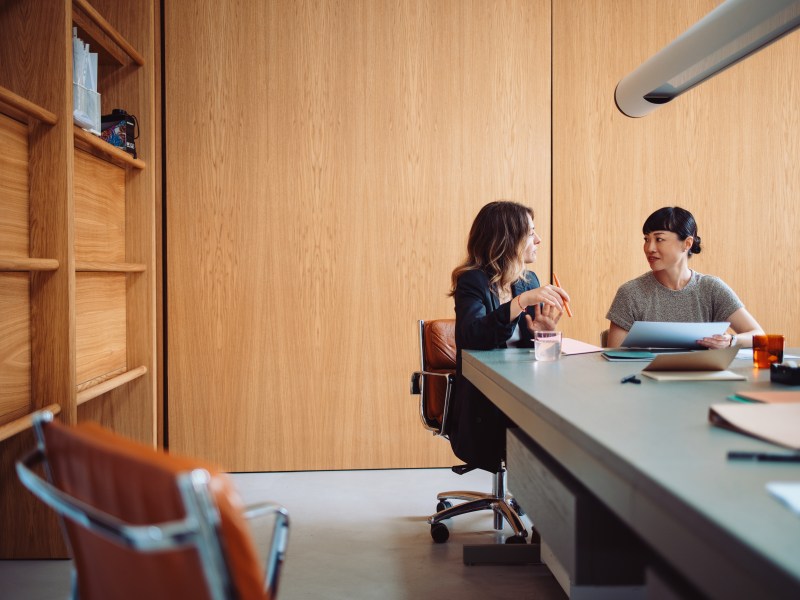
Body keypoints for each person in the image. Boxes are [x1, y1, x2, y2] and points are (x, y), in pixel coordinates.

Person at [448, 200, 570, 472]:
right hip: (486, 397)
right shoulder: (472, 281)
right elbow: (472, 336)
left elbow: (535, 356)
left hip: (524, 390)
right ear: (507, 239)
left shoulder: (529, 281)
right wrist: (519, 303)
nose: (538, 240)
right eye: (530, 234)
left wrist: (545, 335)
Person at [605, 206, 763, 349]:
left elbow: (758, 335)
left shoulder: (711, 288)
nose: (649, 248)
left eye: (659, 239)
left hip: (703, 379)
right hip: (644, 379)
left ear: (687, 244)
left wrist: (731, 340)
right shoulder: (630, 293)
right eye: (646, 239)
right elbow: (614, 356)